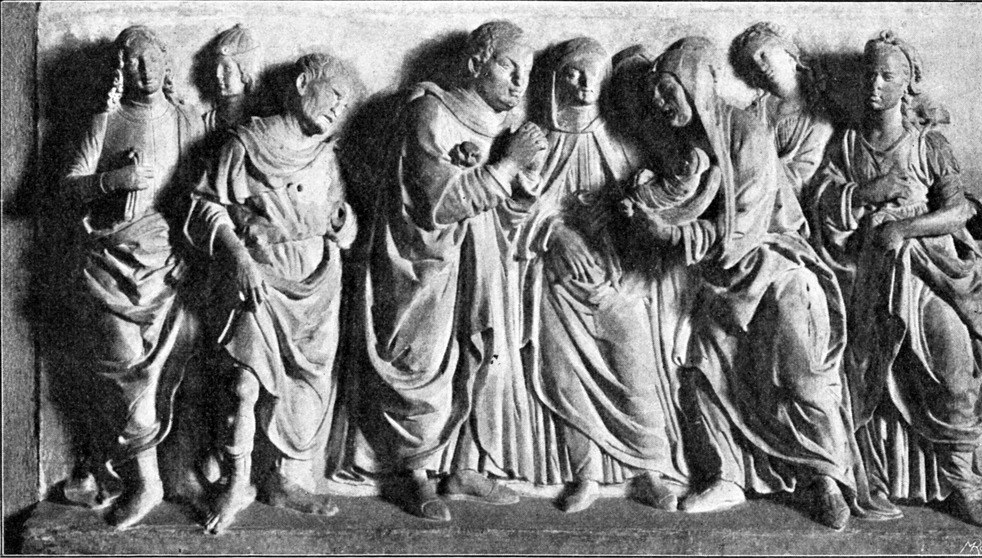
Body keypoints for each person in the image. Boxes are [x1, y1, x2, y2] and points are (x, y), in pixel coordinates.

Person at [629, 37, 899, 531]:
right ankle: (727, 475)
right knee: (701, 361)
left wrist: (670, 234)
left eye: (669, 91)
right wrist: (644, 207)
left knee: (800, 370)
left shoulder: (747, 132)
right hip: (722, 279)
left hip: (777, 266)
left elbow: (746, 225)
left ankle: (827, 476)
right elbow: (684, 202)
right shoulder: (690, 143)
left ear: (696, 85)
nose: (663, 104)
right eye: (657, 97)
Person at [354, 20, 548, 522]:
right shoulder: (430, 111)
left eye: (526, 72)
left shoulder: (502, 128)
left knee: (483, 357)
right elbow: (434, 202)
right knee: (424, 362)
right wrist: (505, 167)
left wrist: (523, 177)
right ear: (476, 62)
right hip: (425, 265)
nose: (520, 81)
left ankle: (464, 465)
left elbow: (507, 212)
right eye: (509, 66)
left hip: (483, 262)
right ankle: (413, 472)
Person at [808, 30, 982, 529]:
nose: (875, 84)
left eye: (887, 76)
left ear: (908, 83)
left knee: (953, 367)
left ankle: (962, 482)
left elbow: (959, 211)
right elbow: (821, 203)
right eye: (869, 74)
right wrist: (868, 192)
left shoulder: (929, 144)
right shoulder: (847, 144)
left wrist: (904, 227)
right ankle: (881, 478)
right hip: (870, 277)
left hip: (930, 273)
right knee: (869, 377)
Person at [185, 52, 360, 534]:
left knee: (305, 386)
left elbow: (340, 215)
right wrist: (240, 259)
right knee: (244, 385)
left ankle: (284, 479)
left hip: (317, 287)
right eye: (334, 95)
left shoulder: (324, 154)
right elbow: (205, 206)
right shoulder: (246, 144)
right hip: (260, 282)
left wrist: (343, 224)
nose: (338, 109)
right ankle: (236, 481)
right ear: (303, 84)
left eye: (345, 105)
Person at [517, 37, 691, 513]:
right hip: (556, 285)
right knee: (564, 376)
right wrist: (553, 231)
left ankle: (649, 470)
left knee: (636, 368)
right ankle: (586, 474)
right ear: (556, 81)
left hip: (617, 280)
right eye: (573, 74)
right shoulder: (539, 140)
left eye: (593, 75)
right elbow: (512, 209)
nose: (584, 84)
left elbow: (651, 204)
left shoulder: (620, 140)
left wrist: (617, 217)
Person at [60, 25, 202, 529]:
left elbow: (205, 194)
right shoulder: (107, 120)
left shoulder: (186, 121)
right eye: (135, 61)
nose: (146, 70)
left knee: (182, 373)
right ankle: (145, 482)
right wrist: (112, 180)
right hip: (112, 267)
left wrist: (191, 250)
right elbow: (68, 187)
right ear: (123, 69)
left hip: (171, 267)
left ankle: (180, 473)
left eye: (153, 59)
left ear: (166, 63)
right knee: (128, 377)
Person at [729, 22, 833, 197]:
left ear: (788, 53)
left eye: (763, 55)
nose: (760, 65)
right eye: (752, 64)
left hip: (789, 198)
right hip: (754, 192)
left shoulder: (818, 112)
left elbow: (804, 173)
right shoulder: (755, 111)